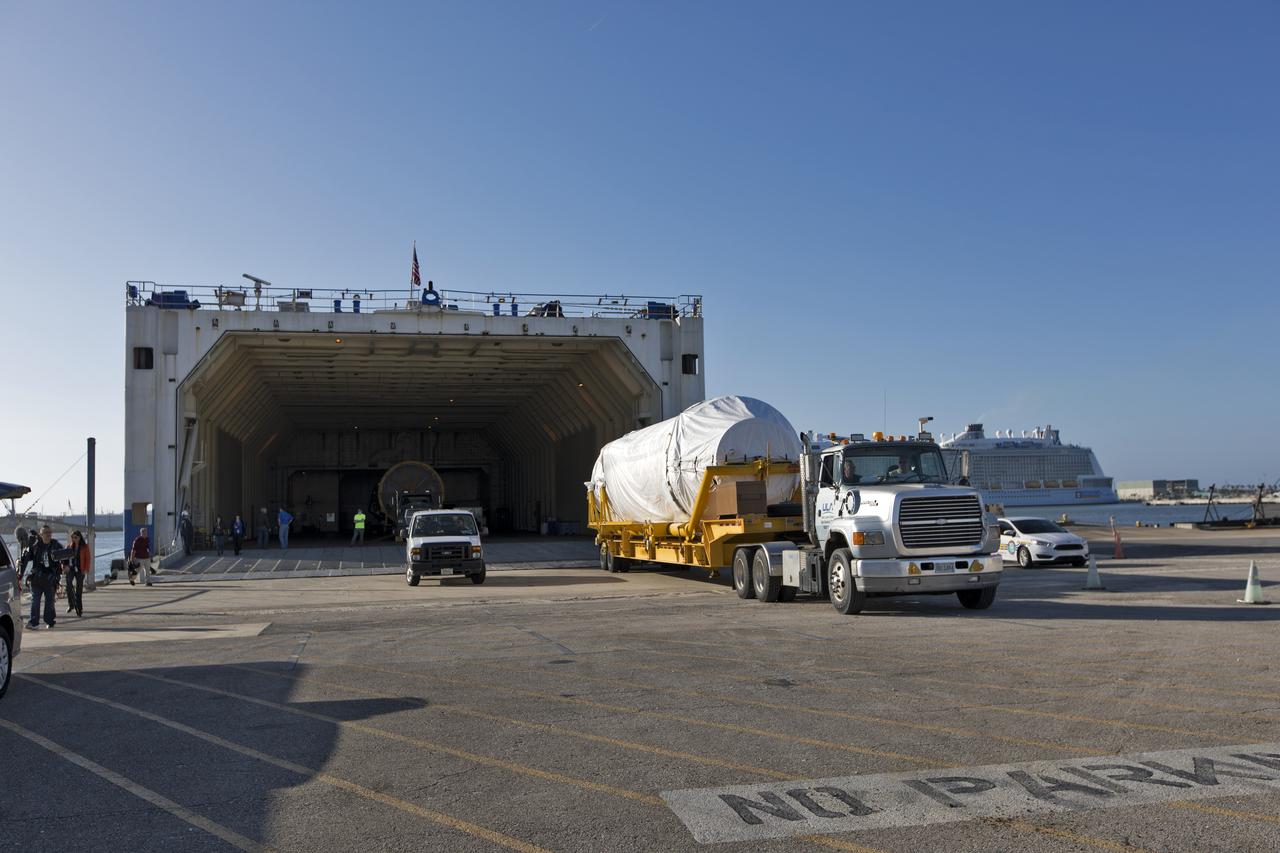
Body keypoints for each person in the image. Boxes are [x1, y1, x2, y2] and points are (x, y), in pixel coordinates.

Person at [21, 525, 62, 629]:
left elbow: (65, 556)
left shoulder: (56, 545)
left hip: (50, 578)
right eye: (45, 532)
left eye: (49, 532)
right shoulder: (35, 546)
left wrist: (65, 566)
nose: (48, 534)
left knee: (49, 602)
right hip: (36, 579)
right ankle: (34, 623)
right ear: (41, 534)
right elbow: (26, 558)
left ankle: (49, 621)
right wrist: (27, 547)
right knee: (35, 601)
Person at [65, 530, 90, 617]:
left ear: (79, 537)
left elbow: (88, 559)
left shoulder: (85, 547)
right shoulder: (69, 546)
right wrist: (64, 567)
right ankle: (71, 605)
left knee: (79, 589)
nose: (74, 539)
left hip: (80, 569)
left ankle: (79, 608)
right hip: (71, 569)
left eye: (75, 537)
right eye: (72, 537)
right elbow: (64, 559)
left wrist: (86, 569)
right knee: (68, 586)